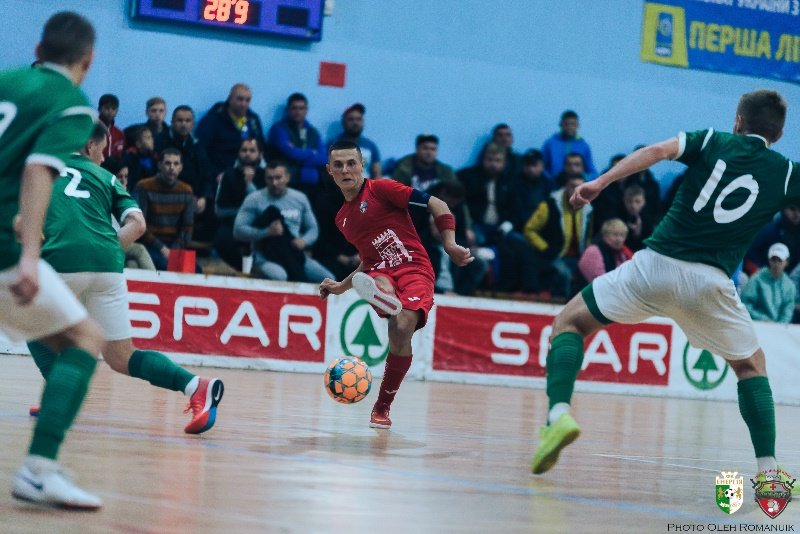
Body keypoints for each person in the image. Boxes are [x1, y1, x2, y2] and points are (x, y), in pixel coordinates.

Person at [530, 90, 798, 493]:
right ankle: (769, 474)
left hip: (654, 266)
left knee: (570, 322)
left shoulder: (713, 140)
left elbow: (656, 151)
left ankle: (558, 416)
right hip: (711, 284)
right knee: (750, 367)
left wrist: (600, 182)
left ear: (738, 122)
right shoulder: (788, 172)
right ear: (779, 134)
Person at [28, 122, 224, 434]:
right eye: (103, 150)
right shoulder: (107, 178)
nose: (104, 158)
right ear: (89, 146)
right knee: (120, 356)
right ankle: (195, 385)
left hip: (63, 259)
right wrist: (106, 250)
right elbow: (138, 224)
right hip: (108, 266)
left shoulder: (44, 169)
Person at [0, 11, 106, 509]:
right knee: (84, 339)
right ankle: (39, 470)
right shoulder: (72, 105)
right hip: (3, 251)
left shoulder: (6, 81)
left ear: (38, 50)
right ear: (89, 59)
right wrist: (28, 254)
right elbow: (38, 171)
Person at [319, 141, 473, 429]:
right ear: (330, 171)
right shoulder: (342, 219)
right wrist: (340, 286)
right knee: (377, 281)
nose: (345, 170)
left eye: (351, 163)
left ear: (362, 165)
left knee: (401, 328)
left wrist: (450, 244)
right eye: (338, 165)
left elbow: (438, 204)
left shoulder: (382, 189)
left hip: (414, 269)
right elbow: (368, 261)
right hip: (380, 272)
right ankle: (384, 298)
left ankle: (383, 405)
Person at [234, 160, 332, 282]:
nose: (274, 183)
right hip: (266, 256)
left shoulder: (300, 198)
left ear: (287, 178)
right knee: (280, 276)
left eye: (278, 178)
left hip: (294, 253)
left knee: (328, 280)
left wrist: (304, 240)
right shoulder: (254, 199)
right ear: (265, 179)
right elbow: (238, 230)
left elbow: (313, 228)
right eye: (270, 178)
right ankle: (256, 270)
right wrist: (267, 232)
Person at [134, 148, 195, 270]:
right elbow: (139, 226)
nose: (172, 167)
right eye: (168, 163)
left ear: (181, 167)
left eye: (176, 164)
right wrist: (161, 247)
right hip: (149, 244)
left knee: (196, 271)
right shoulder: (144, 187)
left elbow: (187, 228)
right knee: (164, 267)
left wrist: (174, 251)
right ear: (159, 165)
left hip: (174, 245)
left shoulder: (186, 191)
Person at [196, 83, 265, 178]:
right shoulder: (211, 121)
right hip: (221, 171)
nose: (244, 104)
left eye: (247, 100)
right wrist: (214, 174)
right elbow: (200, 152)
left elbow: (261, 146)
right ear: (230, 99)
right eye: (240, 99)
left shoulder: (253, 119)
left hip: (250, 171)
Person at [741, 243, 796, 324]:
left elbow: (788, 311)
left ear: (787, 262)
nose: (776, 263)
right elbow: (746, 304)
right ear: (769, 260)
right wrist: (763, 319)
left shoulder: (789, 285)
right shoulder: (757, 279)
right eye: (774, 259)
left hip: (780, 328)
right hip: (757, 324)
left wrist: (780, 325)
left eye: (780, 260)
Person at [541, 110, 597, 182]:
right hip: (554, 184)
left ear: (577, 125)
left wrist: (583, 179)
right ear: (560, 124)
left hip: (578, 184)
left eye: (572, 124)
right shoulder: (550, 144)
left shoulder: (583, 146)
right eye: (566, 124)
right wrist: (550, 180)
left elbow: (592, 172)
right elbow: (541, 167)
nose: (569, 127)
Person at [332, 103, 382, 178]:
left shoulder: (370, 146)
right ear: (344, 122)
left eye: (359, 119)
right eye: (351, 119)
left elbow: (377, 174)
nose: (355, 123)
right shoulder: (334, 144)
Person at [577, 218, 632, 283]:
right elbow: (600, 282)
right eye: (615, 235)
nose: (619, 239)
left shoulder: (621, 254)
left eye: (622, 235)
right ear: (605, 235)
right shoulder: (593, 251)